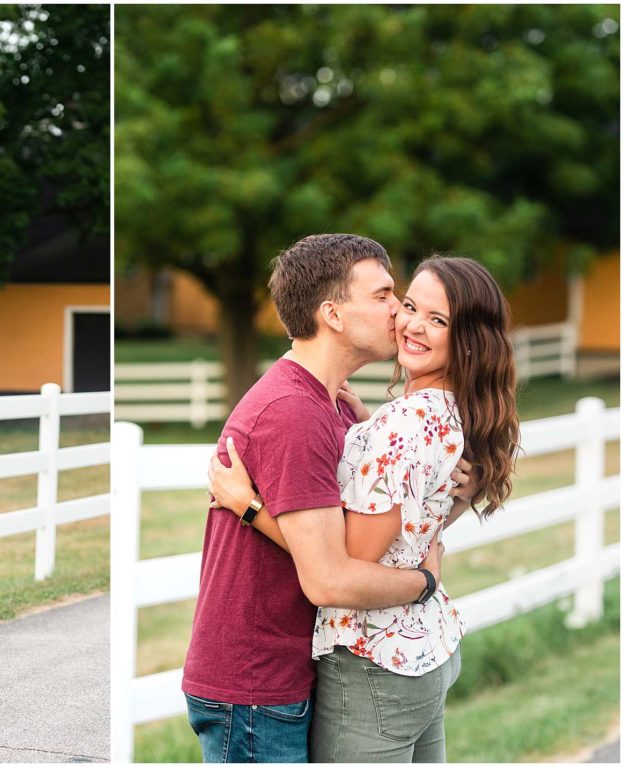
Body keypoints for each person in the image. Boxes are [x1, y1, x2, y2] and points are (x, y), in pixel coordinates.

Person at [181, 234, 479, 763]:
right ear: (334, 315)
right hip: (257, 686)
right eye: (386, 296)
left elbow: (377, 535)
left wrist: (448, 499)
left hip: (291, 668)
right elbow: (332, 574)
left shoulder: (337, 408)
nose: (400, 312)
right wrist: (426, 583)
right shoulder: (291, 414)